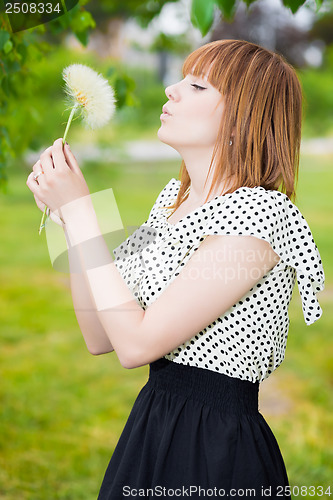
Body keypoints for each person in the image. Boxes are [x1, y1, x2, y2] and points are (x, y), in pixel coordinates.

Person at [27, 39, 325, 499]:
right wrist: (69, 220)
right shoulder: (172, 202)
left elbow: (138, 344)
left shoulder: (261, 214)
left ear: (242, 117)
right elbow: (101, 336)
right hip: (153, 426)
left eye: (196, 85)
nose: (170, 90)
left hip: (213, 449)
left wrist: (84, 211)